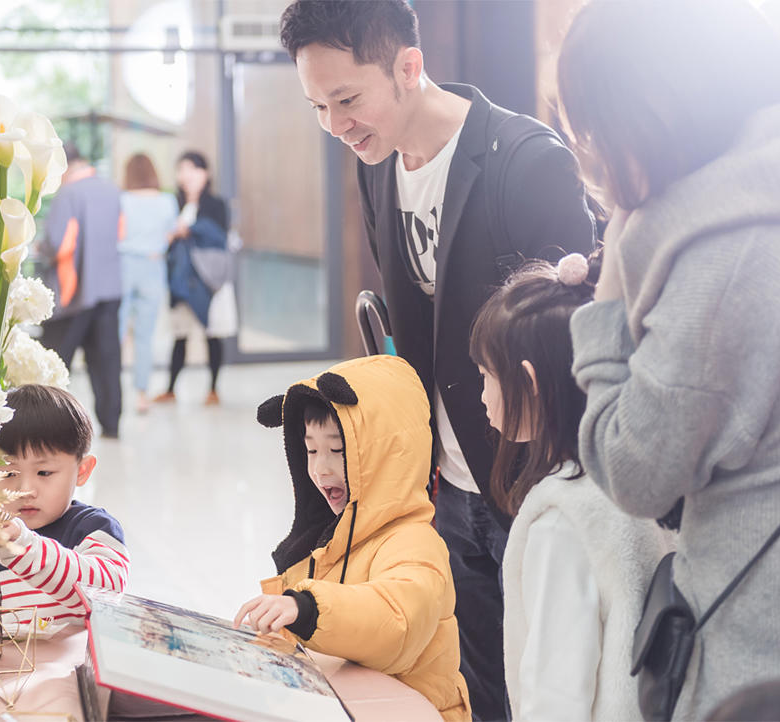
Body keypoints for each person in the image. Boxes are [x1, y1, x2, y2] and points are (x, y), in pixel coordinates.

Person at [278, 2, 595, 718]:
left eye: (348, 100)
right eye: (317, 106)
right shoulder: (379, 166)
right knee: (480, 686)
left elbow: (574, 337)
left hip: (532, 485)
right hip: (449, 489)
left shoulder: (527, 160)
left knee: (552, 688)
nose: (335, 124)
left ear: (409, 67)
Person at [557, 1, 780, 718]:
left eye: (592, 130)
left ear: (647, 112)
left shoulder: (721, 254)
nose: (593, 156)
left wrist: (606, 304)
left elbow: (634, 469)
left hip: (761, 660)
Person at [469, 257, 669, 721]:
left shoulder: (561, 521)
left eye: (485, 376)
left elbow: (555, 695)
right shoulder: (632, 477)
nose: (480, 396)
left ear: (529, 381)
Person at [235, 355, 469, 721]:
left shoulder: (414, 542)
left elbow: (397, 620)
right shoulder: (328, 543)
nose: (321, 467)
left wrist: (307, 609)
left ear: (386, 455)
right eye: (311, 450)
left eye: (338, 451)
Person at [0, 384, 130, 624]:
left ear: (82, 470)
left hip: (72, 662)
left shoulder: (93, 529)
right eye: (8, 474)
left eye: (44, 472)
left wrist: (22, 546)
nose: (25, 490)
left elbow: (108, 593)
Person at [39, 144, 123, 439]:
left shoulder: (69, 194)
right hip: (110, 289)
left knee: (55, 362)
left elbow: (59, 244)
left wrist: (40, 247)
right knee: (107, 361)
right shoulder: (112, 190)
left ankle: (49, 426)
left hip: (73, 293)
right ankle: (111, 424)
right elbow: (121, 234)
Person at [154, 151, 237, 407]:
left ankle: (213, 389)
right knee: (180, 334)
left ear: (205, 173)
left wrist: (188, 230)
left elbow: (220, 237)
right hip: (182, 280)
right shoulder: (173, 204)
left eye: (192, 169)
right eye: (182, 169)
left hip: (209, 279)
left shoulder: (216, 204)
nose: (186, 175)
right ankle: (170, 389)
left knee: (212, 334)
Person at [119, 153, 179, 414]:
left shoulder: (122, 201)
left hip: (123, 265)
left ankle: (114, 393)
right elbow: (172, 233)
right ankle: (141, 395)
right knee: (144, 336)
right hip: (154, 266)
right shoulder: (167, 201)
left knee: (116, 334)